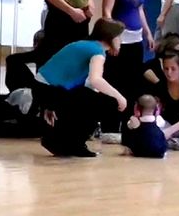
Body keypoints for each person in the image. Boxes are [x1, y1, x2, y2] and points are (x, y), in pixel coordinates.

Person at [34, 19, 127, 157]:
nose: (120, 40)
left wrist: (49, 103)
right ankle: (72, 143)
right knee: (108, 104)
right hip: (51, 90)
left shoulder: (83, 44)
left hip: (43, 88)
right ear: (111, 37)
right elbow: (96, 80)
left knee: (86, 99)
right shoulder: (97, 51)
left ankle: (59, 139)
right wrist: (119, 97)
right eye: (119, 37)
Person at [98, 0, 154, 143]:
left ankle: (128, 123)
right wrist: (113, 39)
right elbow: (107, 12)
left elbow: (139, 9)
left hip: (136, 39)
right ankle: (109, 126)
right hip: (120, 40)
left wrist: (148, 32)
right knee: (115, 81)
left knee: (133, 84)